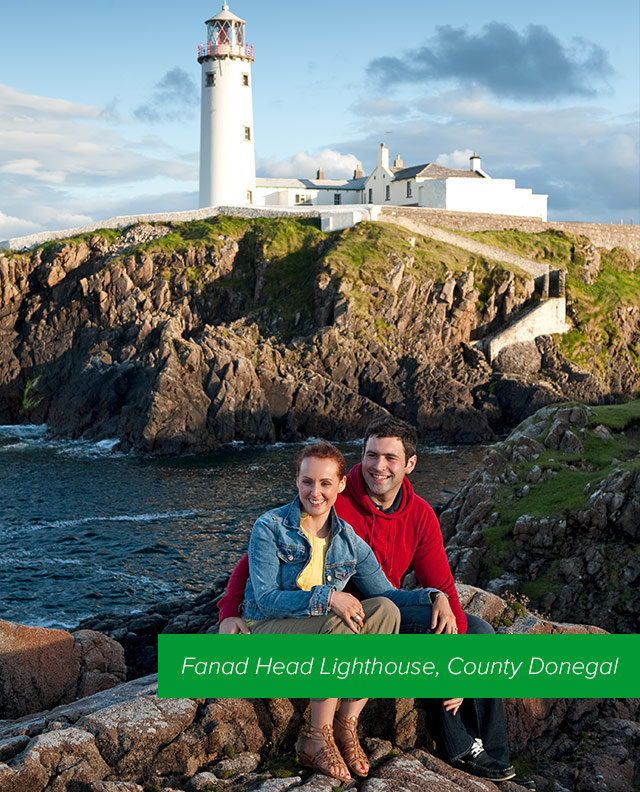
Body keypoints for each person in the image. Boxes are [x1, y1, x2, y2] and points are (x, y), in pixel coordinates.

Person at [219, 418, 523, 785]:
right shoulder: (333, 502)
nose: (379, 466)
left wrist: (441, 602)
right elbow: (252, 563)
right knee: (428, 637)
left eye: (390, 458)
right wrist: (228, 611)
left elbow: (432, 582)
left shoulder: (419, 515)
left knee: (478, 632)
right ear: (360, 458)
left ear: (409, 464)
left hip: (377, 608)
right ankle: (458, 748)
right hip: (335, 615)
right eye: (372, 455)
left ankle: (493, 749)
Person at [244, 440, 461, 781]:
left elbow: (387, 593)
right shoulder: (269, 527)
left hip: (317, 628)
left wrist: (435, 597)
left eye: (326, 483)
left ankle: (346, 726)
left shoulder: (349, 542)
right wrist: (328, 597)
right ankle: (316, 737)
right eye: (307, 481)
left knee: (386, 611)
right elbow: (267, 598)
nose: (315, 492)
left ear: (341, 485)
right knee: (342, 626)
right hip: (267, 626)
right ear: (297, 481)